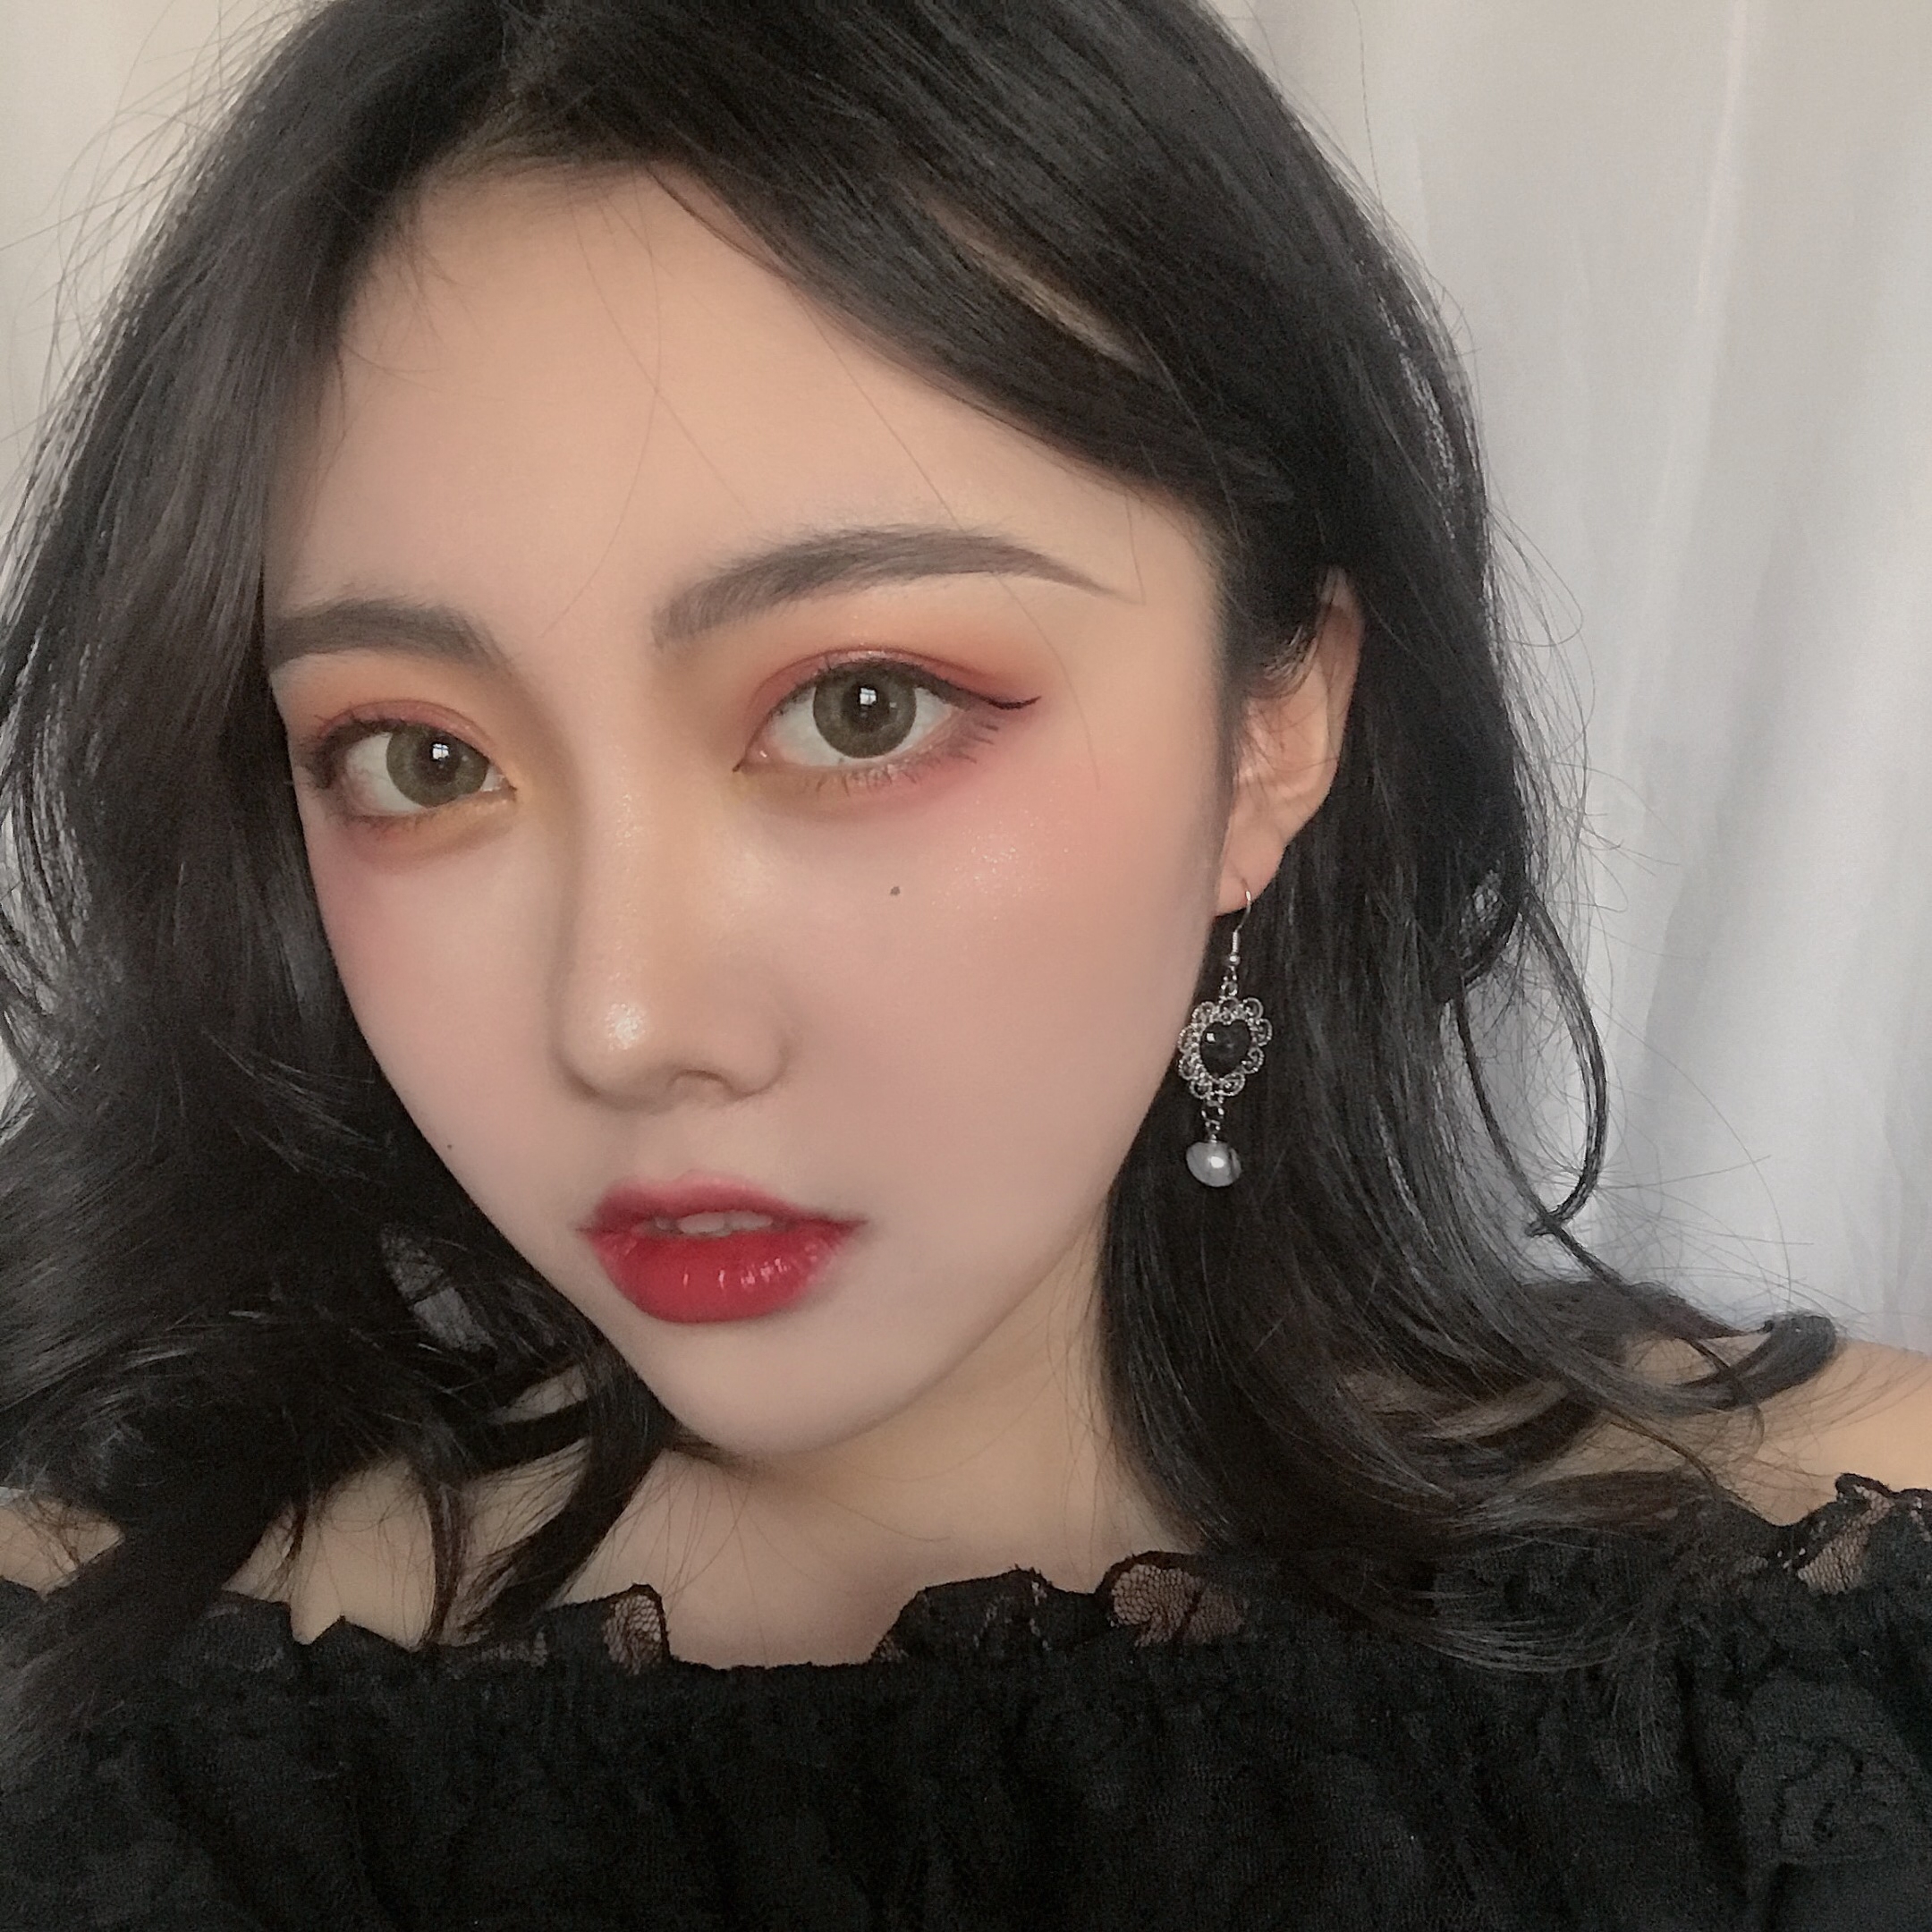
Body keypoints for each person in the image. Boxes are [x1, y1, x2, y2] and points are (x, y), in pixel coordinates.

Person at [0, 0, 1927, 1923]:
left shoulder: (1849, 1623)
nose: (626, 1023)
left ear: (1272, 728)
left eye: (862, 707)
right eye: (422, 761)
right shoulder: (81, 1711)